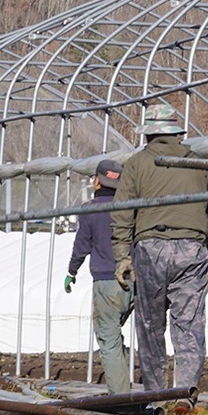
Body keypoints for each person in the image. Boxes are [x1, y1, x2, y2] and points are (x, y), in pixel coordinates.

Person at [111, 105, 208, 394]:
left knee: (150, 325)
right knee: (189, 323)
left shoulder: (136, 164)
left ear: (147, 134)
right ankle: (186, 392)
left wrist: (123, 256)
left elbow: (122, 212)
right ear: (176, 133)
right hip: (192, 248)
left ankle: (156, 394)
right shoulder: (198, 163)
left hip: (151, 249)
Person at [64, 158, 135, 393]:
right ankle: (136, 391)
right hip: (135, 280)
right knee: (126, 337)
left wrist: (71, 271)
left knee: (109, 339)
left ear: (97, 181)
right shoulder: (131, 206)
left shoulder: (91, 209)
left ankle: (122, 400)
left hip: (106, 282)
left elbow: (81, 245)